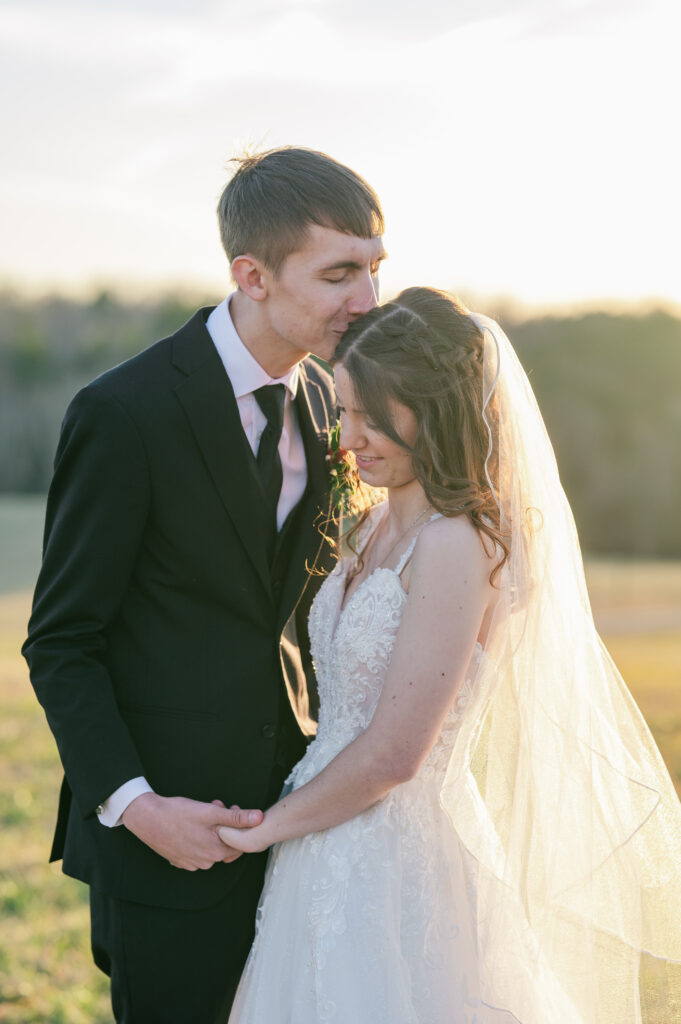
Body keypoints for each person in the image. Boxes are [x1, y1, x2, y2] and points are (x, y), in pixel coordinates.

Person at [218, 287, 681, 1023]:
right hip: (320, 838)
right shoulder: (367, 527)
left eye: (373, 416)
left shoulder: (456, 544)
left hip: (397, 856)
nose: (349, 436)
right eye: (344, 410)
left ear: (435, 411)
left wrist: (266, 828)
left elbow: (396, 753)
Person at [22, 146, 386, 1023]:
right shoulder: (125, 412)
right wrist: (137, 808)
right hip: (169, 842)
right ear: (251, 275)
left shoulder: (331, 403)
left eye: (375, 267)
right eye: (339, 273)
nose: (369, 298)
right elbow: (62, 642)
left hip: (300, 830)